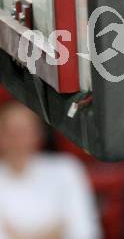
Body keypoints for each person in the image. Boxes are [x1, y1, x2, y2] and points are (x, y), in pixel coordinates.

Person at [0, 100, 101, 239]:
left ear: (38, 134)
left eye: (24, 131)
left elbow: (84, 231)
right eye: (11, 132)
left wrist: (18, 234)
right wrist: (54, 232)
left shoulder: (67, 169)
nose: (18, 140)